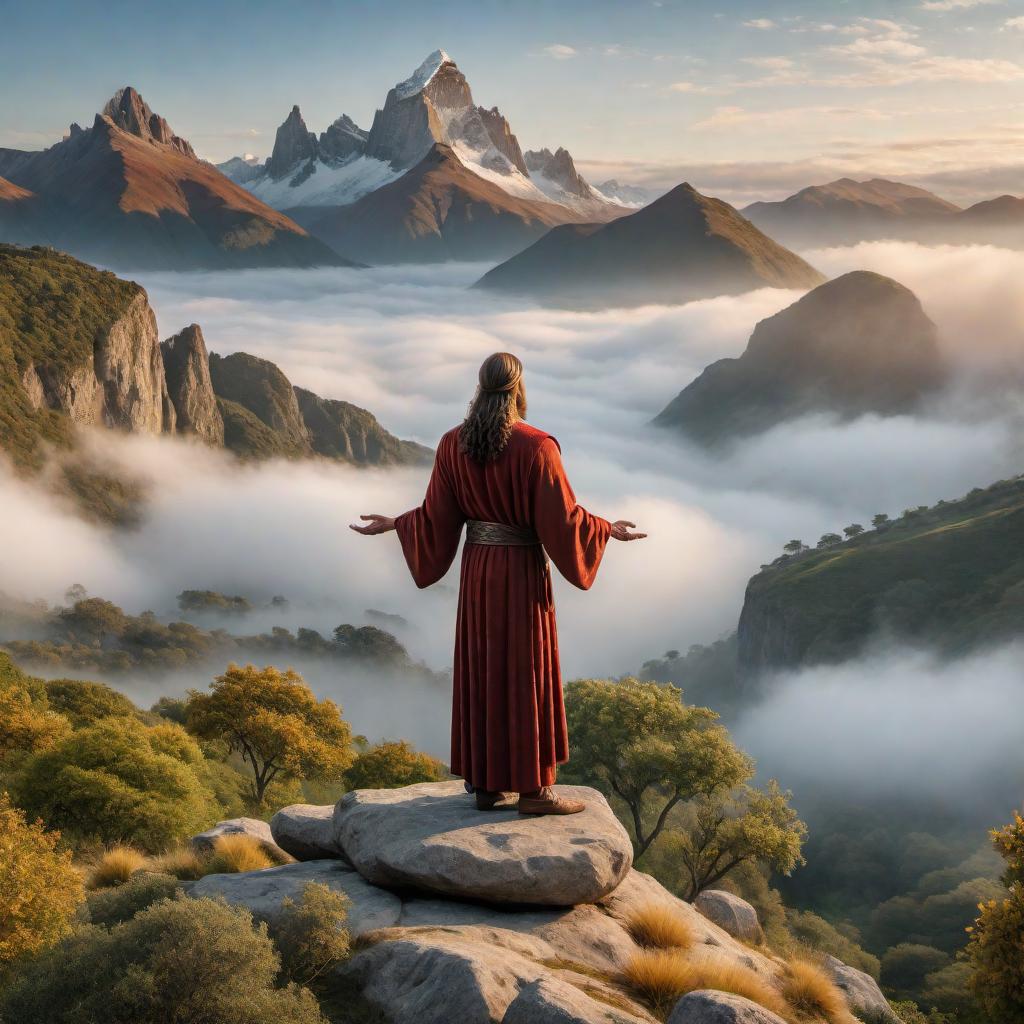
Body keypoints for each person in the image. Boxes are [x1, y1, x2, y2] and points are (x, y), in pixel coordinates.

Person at [351, 352, 646, 815]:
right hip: (521, 573)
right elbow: (563, 520)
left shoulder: (453, 444)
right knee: (525, 671)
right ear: (518, 388)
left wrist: (396, 524)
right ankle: (534, 792)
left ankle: (487, 785)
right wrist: (605, 529)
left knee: (484, 667)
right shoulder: (537, 447)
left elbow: (437, 516)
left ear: (479, 388)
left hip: (478, 571)